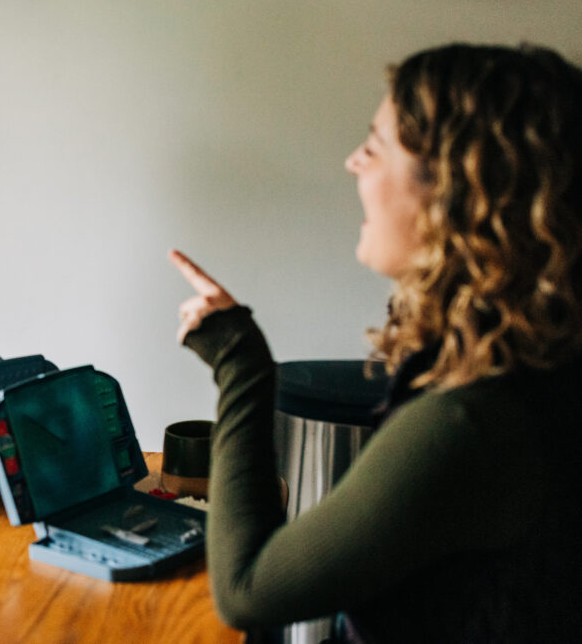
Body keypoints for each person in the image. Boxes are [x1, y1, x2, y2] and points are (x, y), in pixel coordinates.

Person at [171, 43, 582, 642]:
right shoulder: (538, 364)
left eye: (375, 146)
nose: (352, 162)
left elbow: (248, 590)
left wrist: (241, 363)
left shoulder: (472, 422)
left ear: (458, 191)